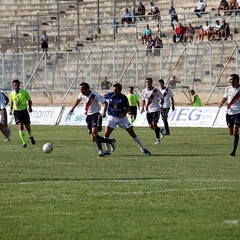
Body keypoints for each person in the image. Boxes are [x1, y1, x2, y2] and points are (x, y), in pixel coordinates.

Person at [69, 82, 115, 157]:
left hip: (95, 115)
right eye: (80, 89)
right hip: (88, 117)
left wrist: (104, 112)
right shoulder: (81, 94)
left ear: (87, 89)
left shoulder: (95, 95)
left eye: (82, 89)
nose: (81, 91)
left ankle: (101, 151)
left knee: (94, 132)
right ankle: (110, 141)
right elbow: (78, 100)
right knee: (93, 138)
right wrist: (72, 108)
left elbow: (105, 103)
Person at [104, 83, 151, 156]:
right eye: (113, 90)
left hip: (122, 118)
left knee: (132, 134)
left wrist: (124, 113)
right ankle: (108, 151)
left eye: (116, 90)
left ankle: (143, 149)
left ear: (120, 90)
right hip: (112, 117)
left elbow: (128, 108)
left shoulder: (123, 98)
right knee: (106, 135)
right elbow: (102, 98)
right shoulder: (109, 95)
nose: (114, 92)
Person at [9, 79, 36, 148]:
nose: (16, 86)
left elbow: (29, 100)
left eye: (17, 85)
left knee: (27, 126)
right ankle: (24, 143)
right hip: (17, 112)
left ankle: (30, 136)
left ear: (19, 85)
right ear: (13, 86)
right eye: (15, 85)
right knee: (20, 125)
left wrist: (30, 107)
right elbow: (11, 102)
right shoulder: (11, 94)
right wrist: (10, 110)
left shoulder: (24, 92)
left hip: (24, 111)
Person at [219, 73, 240, 157]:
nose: (229, 80)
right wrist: (221, 103)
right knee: (231, 131)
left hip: (238, 112)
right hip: (229, 112)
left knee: (236, 129)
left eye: (230, 79)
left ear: (235, 80)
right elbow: (225, 97)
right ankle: (231, 130)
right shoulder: (228, 88)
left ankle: (234, 150)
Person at [141, 77, 163, 144]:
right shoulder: (144, 91)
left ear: (151, 82)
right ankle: (160, 130)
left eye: (149, 82)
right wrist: (142, 108)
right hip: (148, 110)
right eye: (146, 82)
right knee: (151, 126)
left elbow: (162, 98)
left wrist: (161, 105)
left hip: (156, 109)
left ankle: (157, 140)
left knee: (154, 124)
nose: (147, 83)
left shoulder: (156, 91)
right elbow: (143, 100)